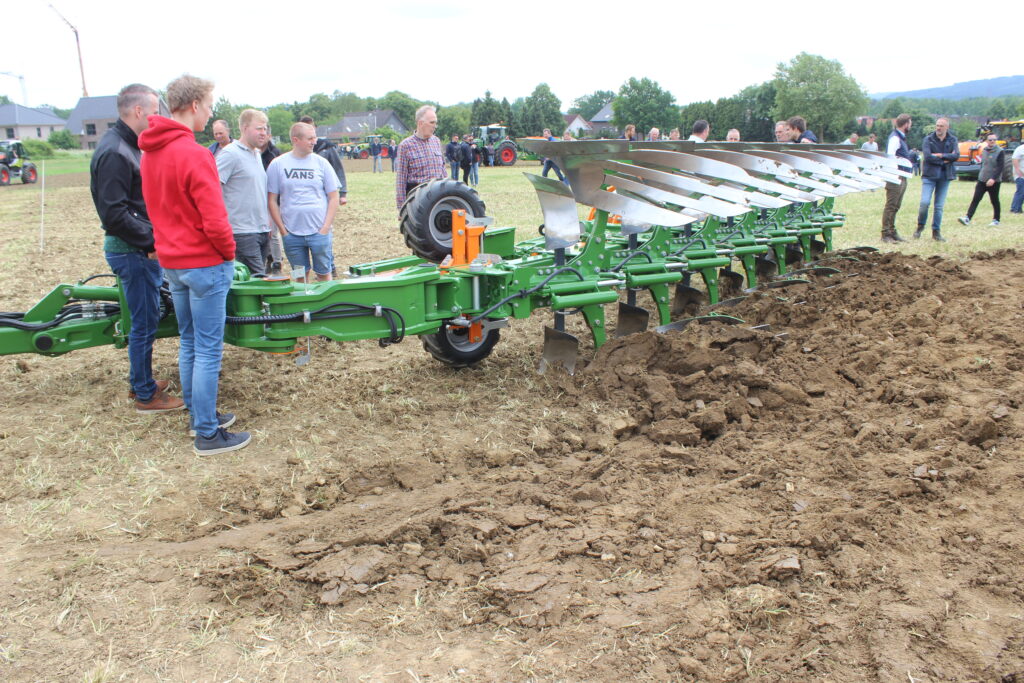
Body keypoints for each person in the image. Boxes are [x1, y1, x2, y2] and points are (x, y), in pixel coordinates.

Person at [139, 74, 249, 455]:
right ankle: (207, 433)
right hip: (204, 263)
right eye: (210, 104)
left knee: (189, 342)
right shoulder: (195, 154)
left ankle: (200, 417)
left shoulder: (150, 153)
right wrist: (228, 253)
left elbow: (156, 209)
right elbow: (215, 219)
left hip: (174, 263)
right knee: (207, 349)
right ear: (195, 105)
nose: (212, 111)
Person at [90, 83, 183, 414]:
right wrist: (152, 242)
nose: (157, 118)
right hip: (132, 251)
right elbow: (114, 214)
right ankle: (145, 394)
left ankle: (140, 380)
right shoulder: (115, 152)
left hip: (137, 248)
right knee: (144, 323)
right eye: (155, 112)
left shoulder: (128, 147)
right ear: (138, 111)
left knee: (146, 319)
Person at [267, 122, 340, 282]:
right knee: (299, 276)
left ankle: (326, 306)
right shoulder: (278, 164)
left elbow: (334, 197)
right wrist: (283, 231)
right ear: (296, 140)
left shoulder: (322, 163)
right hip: (292, 233)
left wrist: (325, 228)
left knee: (324, 273)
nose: (315, 141)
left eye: (314, 137)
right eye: (310, 138)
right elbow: (272, 200)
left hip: (319, 232)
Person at [217, 109, 271, 278]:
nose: (263, 133)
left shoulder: (255, 153)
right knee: (256, 280)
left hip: (261, 229)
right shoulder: (230, 154)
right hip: (242, 231)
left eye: (265, 129)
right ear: (245, 128)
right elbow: (212, 187)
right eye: (259, 128)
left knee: (258, 279)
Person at [395, 105, 447, 210]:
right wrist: (401, 207)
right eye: (432, 122)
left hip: (438, 198)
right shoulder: (406, 145)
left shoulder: (436, 141)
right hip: (417, 200)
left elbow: (443, 170)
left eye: (436, 123)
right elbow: (401, 178)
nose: (435, 126)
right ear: (420, 123)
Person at [917, 118, 958, 241]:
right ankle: (920, 226)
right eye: (937, 125)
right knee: (924, 203)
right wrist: (945, 159)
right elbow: (928, 157)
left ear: (947, 127)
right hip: (929, 175)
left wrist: (940, 155)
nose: (938, 128)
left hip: (945, 176)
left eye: (941, 126)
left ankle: (936, 231)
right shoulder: (928, 140)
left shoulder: (953, 140)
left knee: (939, 206)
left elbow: (956, 156)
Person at [958, 133, 1006, 227]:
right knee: (976, 199)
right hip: (982, 179)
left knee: (994, 200)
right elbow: (983, 164)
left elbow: (1000, 167)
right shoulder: (984, 150)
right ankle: (967, 218)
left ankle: (996, 219)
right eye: (990, 140)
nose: (992, 141)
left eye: (994, 140)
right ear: (987, 141)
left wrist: (993, 179)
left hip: (994, 181)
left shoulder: (1000, 151)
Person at [881, 114, 913, 244]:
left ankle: (892, 231)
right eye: (910, 123)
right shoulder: (895, 138)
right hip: (895, 176)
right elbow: (890, 157)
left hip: (901, 175)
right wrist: (895, 174)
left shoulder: (901, 138)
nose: (910, 126)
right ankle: (886, 233)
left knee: (896, 205)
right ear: (906, 124)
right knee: (891, 205)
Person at [258, 128, 284, 275]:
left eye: (265, 133)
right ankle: (267, 258)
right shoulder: (252, 153)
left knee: (273, 232)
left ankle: (276, 261)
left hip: (272, 198)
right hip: (257, 198)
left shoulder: (275, 154)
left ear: (270, 136)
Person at [1011, 142, 1024, 214]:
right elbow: (1014, 159)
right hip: (1020, 175)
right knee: (1021, 192)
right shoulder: (1021, 148)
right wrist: (1018, 170)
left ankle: (1016, 207)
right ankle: (1016, 209)